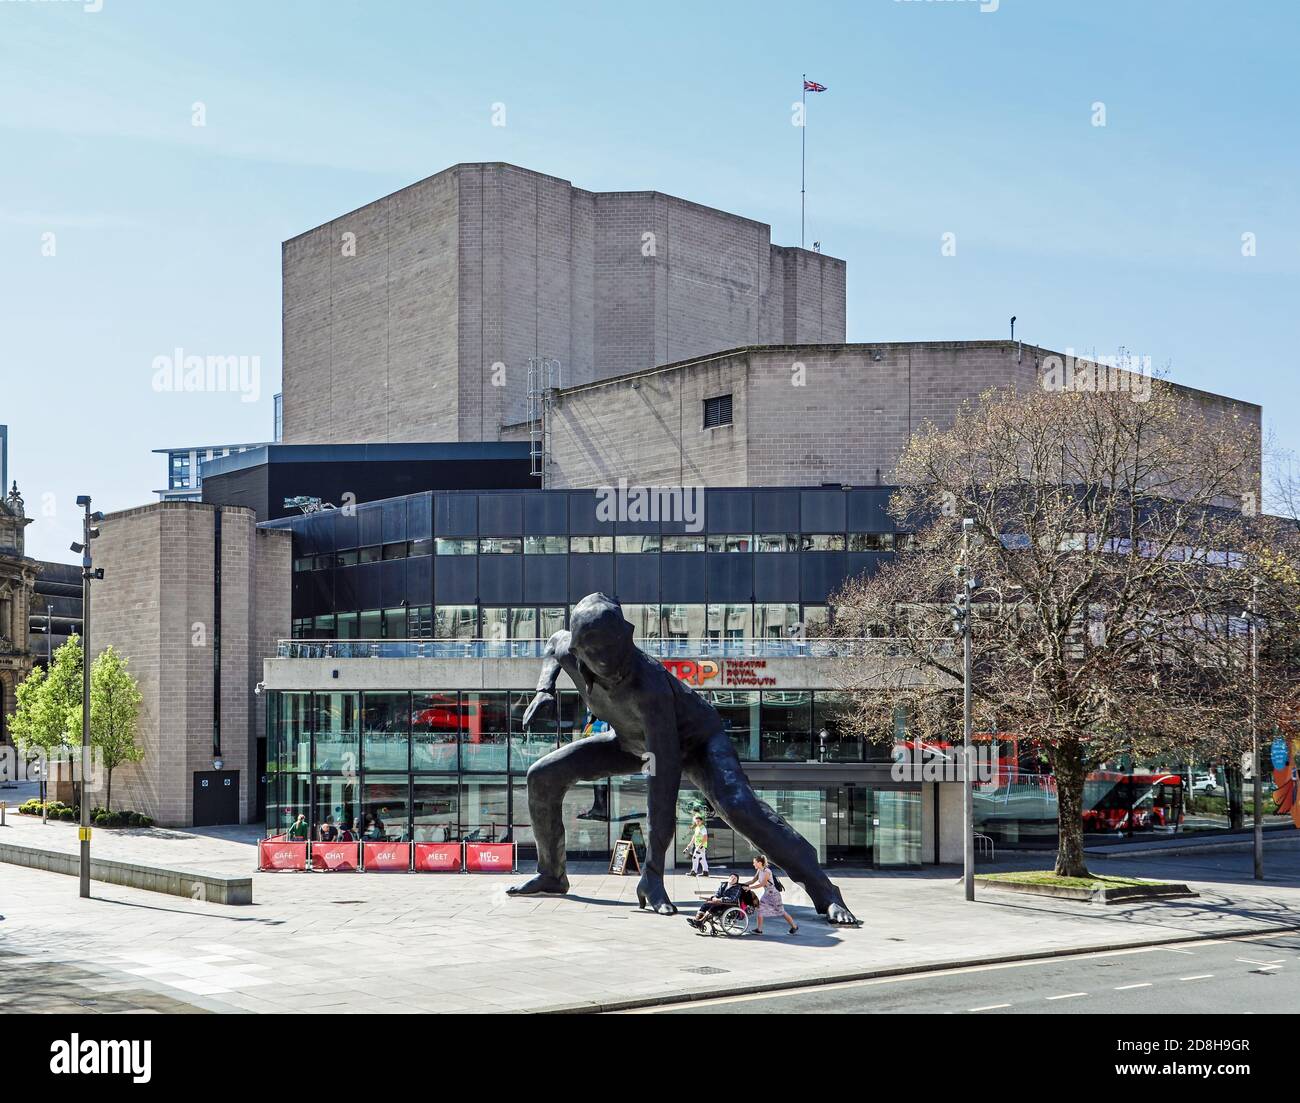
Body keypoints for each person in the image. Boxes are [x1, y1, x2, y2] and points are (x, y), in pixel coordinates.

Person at [744, 854, 798, 936]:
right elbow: (752, 881)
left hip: (774, 895)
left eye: (754, 862)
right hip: (767, 894)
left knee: (781, 911)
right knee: (760, 909)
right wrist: (740, 884)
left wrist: (749, 888)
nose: (753, 864)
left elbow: (762, 884)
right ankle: (759, 930)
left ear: (759, 863)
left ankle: (794, 926)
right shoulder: (759, 871)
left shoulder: (767, 871)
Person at [688, 813, 709, 877]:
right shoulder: (697, 828)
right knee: (702, 860)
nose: (697, 822)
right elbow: (694, 836)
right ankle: (705, 872)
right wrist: (690, 843)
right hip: (699, 846)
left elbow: (705, 838)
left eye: (698, 821)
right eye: (696, 821)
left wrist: (700, 846)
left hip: (701, 846)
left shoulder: (703, 828)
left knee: (694, 857)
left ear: (701, 821)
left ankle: (694, 872)